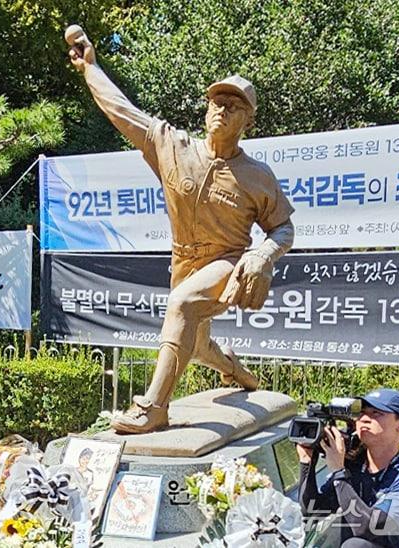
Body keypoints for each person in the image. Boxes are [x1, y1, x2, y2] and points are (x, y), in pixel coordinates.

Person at [67, 27, 295, 434]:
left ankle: (154, 408)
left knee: (183, 303)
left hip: (228, 261)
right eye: (216, 102)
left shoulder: (258, 176)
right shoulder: (175, 148)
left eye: (233, 105)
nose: (222, 109)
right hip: (184, 259)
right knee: (199, 344)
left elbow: (283, 228)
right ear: (206, 110)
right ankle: (236, 370)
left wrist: (262, 256)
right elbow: (122, 110)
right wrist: (91, 67)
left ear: (248, 120)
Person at [298, 388, 399, 547]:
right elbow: (313, 512)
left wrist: (339, 473)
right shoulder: (356, 465)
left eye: (376, 413)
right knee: (337, 529)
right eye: (361, 413)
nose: (365, 419)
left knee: (355, 544)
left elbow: (369, 528)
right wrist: (307, 462)